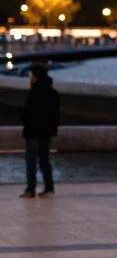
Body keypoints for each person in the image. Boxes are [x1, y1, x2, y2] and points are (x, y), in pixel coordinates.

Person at [19, 63, 60, 198]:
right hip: (46, 132)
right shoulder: (53, 93)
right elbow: (55, 114)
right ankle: (49, 188)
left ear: (35, 76)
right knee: (44, 161)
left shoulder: (34, 93)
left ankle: (30, 189)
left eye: (31, 75)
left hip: (33, 132)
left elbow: (27, 113)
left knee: (31, 161)